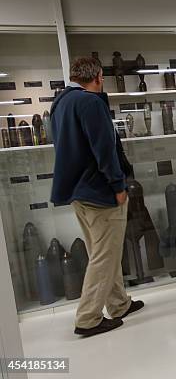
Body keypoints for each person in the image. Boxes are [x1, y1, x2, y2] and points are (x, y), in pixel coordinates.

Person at [50, 57, 143, 337]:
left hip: (79, 191)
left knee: (104, 251)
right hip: (99, 191)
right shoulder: (91, 103)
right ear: (99, 76)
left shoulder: (60, 103)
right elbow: (104, 149)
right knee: (104, 255)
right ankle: (88, 318)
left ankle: (118, 304)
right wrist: (118, 186)